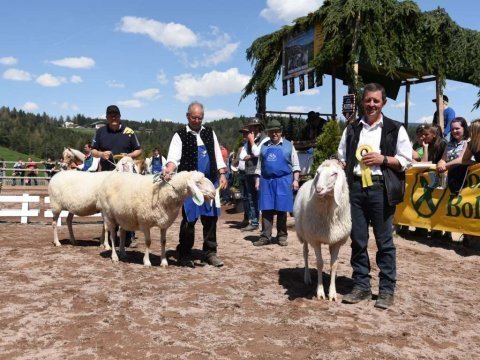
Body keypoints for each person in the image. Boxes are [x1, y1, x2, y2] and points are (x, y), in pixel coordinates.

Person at [338, 83, 412, 309]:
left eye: (376, 101)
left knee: (384, 242)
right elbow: (342, 155)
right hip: (356, 189)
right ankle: (361, 286)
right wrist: (339, 165)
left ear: (383, 103)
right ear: (363, 101)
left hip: (381, 189)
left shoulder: (395, 128)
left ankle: (387, 291)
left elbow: (406, 161)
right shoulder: (351, 129)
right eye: (368, 100)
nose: (371, 104)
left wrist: (383, 159)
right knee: (358, 241)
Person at [163, 101, 227, 268]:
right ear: (187, 116)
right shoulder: (179, 135)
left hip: (210, 182)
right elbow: (173, 159)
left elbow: (217, 156)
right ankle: (184, 253)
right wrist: (169, 169)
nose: (197, 121)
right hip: (190, 185)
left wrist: (222, 174)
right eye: (194, 117)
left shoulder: (209, 133)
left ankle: (210, 252)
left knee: (211, 218)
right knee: (189, 220)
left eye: (200, 118)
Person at [91, 105, 142, 247]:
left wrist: (129, 155)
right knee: (109, 206)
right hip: (107, 175)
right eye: (111, 115)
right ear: (107, 117)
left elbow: (139, 150)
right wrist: (101, 154)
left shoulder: (129, 131)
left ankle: (129, 237)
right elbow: (93, 150)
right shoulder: (100, 131)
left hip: (126, 176)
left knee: (128, 204)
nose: (113, 118)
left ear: (120, 116)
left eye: (116, 115)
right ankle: (109, 236)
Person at [253, 119, 300, 247]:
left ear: (281, 132)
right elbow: (259, 166)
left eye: (277, 131)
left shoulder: (289, 146)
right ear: (268, 133)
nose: (274, 134)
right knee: (266, 209)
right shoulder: (264, 146)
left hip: (284, 180)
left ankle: (281, 236)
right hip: (266, 181)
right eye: (272, 131)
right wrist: (257, 180)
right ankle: (265, 236)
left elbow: (295, 165)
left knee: (281, 209)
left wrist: (295, 180)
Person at [436, 117, 470, 241]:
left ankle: (466, 235)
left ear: (464, 128)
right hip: (451, 179)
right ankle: (448, 232)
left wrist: (445, 165)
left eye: (457, 128)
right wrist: (440, 162)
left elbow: (462, 159)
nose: (455, 131)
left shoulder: (468, 142)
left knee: (463, 207)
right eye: (452, 129)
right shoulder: (450, 143)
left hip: (464, 179)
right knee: (449, 206)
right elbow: (444, 157)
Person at [239, 117, 267, 231]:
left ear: (258, 127)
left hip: (259, 172)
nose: (251, 129)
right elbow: (242, 156)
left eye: (253, 127)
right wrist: (252, 155)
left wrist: (252, 142)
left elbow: (258, 152)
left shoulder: (265, 139)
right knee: (251, 198)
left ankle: (264, 225)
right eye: (250, 127)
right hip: (249, 171)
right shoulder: (249, 141)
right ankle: (254, 222)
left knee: (261, 198)